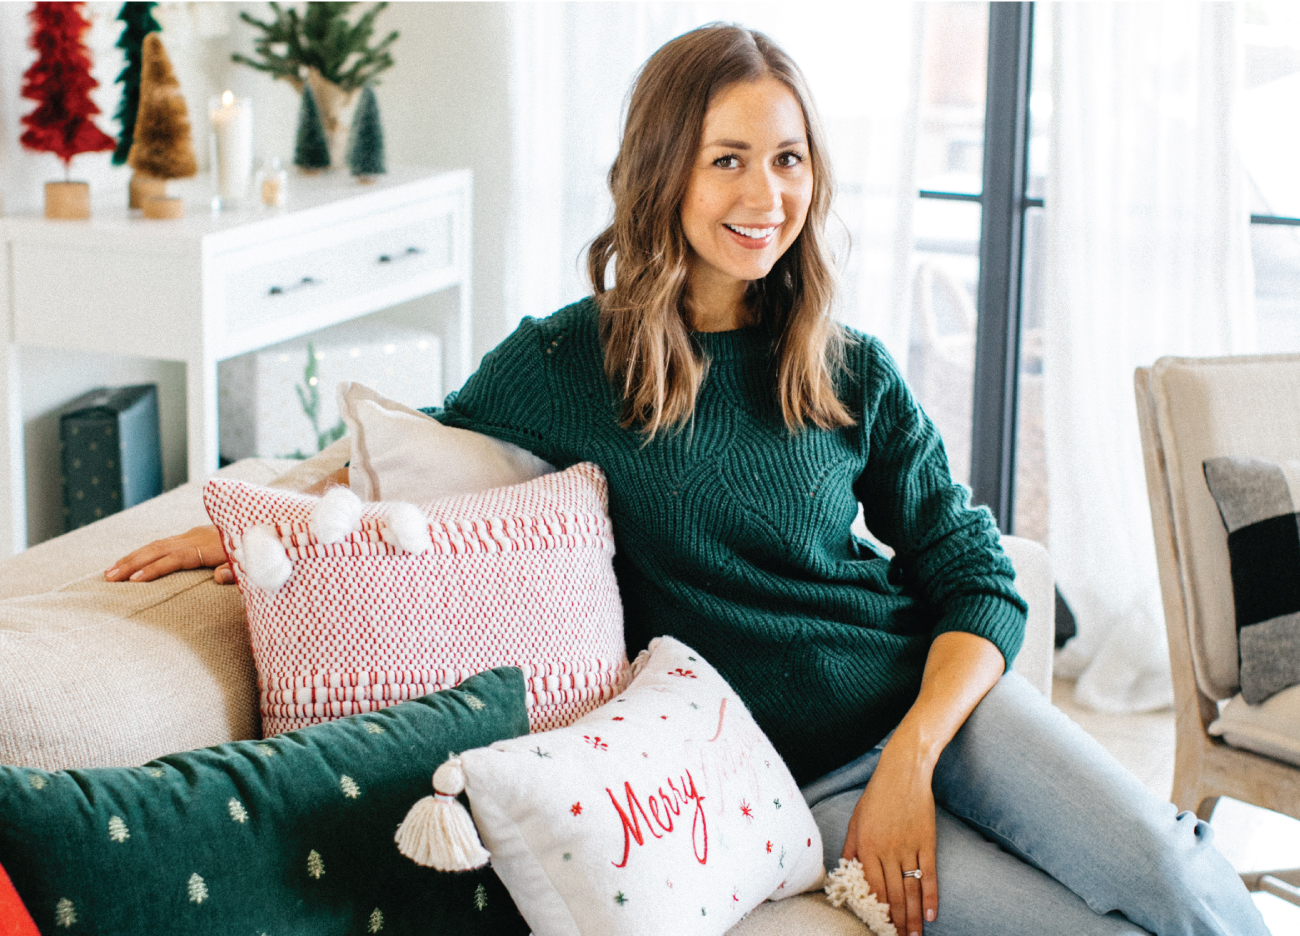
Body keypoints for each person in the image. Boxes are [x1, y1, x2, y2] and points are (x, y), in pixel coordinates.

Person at [108, 24, 1266, 936]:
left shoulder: (842, 363)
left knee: (1168, 870)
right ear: (666, 169)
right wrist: (265, 540)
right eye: (728, 161)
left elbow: (974, 574)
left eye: (787, 159)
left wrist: (912, 755)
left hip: (938, 715)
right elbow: (411, 458)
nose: (766, 196)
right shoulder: (567, 364)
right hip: (788, 778)